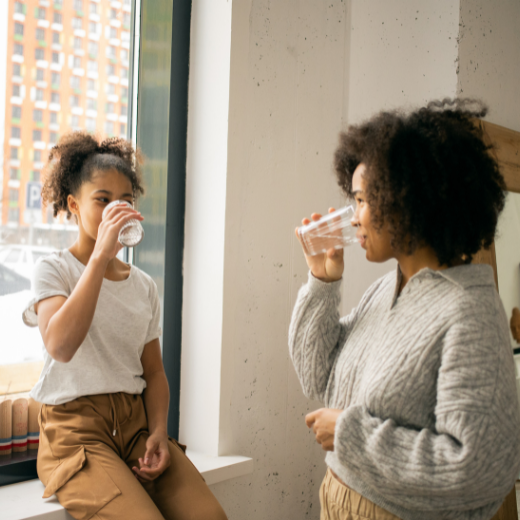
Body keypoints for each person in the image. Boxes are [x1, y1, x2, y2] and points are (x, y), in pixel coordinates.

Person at [289, 99, 520, 520]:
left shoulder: (468, 313)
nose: (353, 217)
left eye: (361, 200)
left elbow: (479, 469)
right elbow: (317, 377)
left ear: (408, 201)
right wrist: (322, 283)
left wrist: (350, 435)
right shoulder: (385, 290)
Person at [23, 132, 227, 520]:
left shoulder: (143, 286)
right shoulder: (54, 269)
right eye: (102, 200)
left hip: (134, 427)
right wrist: (100, 255)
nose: (115, 209)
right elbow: (61, 346)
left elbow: (154, 373)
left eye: (126, 201)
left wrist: (157, 433)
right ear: (74, 205)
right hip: (76, 432)